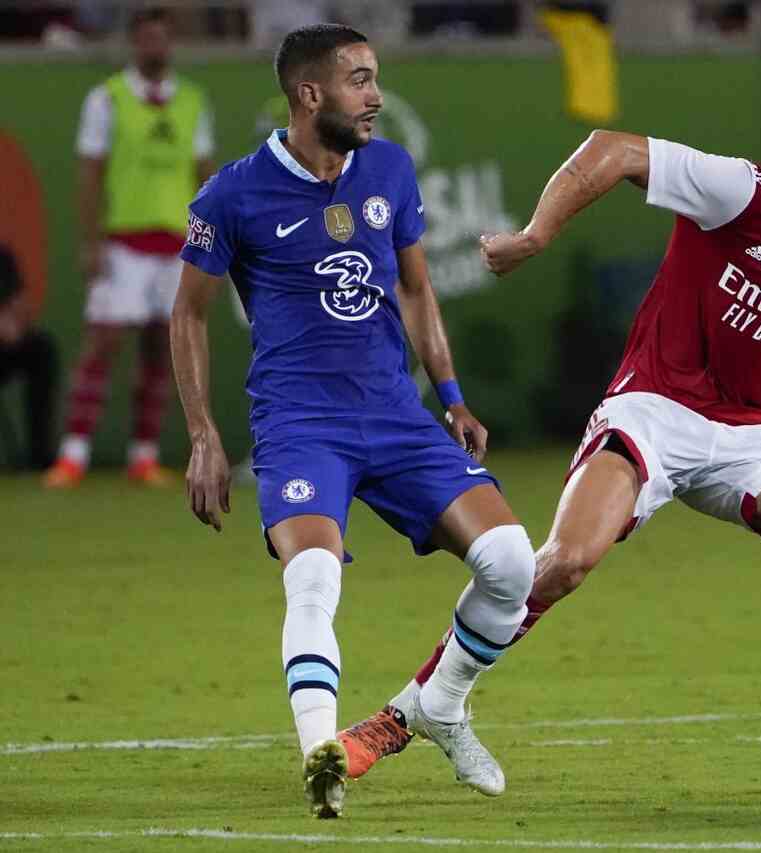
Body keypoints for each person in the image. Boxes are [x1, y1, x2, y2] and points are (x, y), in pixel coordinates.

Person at [341, 106, 761, 788]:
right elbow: (613, 148)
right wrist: (535, 235)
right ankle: (413, 708)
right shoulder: (744, 191)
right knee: (566, 560)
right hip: (654, 407)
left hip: (749, 433)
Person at [170, 24, 535, 818]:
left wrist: (452, 394)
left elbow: (416, 288)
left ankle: (439, 704)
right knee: (313, 578)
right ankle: (321, 755)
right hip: (301, 424)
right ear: (310, 94)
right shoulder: (233, 194)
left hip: (395, 414)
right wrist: (203, 433)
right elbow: (188, 314)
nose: (376, 97)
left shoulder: (390, 168)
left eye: (375, 78)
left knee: (512, 563)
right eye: (360, 81)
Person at [44, 6, 215, 488]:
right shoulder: (107, 99)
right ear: (134, 43)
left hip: (178, 245)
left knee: (163, 349)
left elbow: (206, 176)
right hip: (123, 241)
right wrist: (91, 240)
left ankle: (143, 455)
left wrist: (210, 244)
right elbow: (89, 174)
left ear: (171, 43)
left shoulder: (193, 101)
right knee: (102, 343)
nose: (155, 46)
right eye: (146, 38)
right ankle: (73, 453)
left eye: (162, 38)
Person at [0, 247, 58, 469]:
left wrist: (16, 321)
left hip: (4, 347)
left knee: (41, 349)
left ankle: (39, 454)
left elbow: (21, 301)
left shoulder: (3, 257)